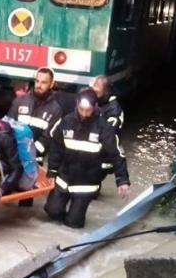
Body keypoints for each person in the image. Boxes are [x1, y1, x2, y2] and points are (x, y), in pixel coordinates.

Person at [45, 88, 131, 229]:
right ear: (76, 104)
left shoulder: (104, 128)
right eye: (81, 109)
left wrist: (122, 181)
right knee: (52, 211)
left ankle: (74, 215)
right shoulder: (66, 122)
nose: (84, 114)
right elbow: (56, 148)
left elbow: (117, 155)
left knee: (74, 224)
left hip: (86, 182)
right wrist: (52, 171)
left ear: (95, 107)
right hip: (64, 178)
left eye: (88, 110)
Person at [7, 67, 62, 166]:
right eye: (37, 81)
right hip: (13, 158)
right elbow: (8, 126)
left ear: (52, 84)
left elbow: (47, 139)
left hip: (35, 162)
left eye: (44, 82)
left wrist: (28, 154)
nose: (39, 85)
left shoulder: (55, 110)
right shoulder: (19, 101)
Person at [91, 75, 125, 184]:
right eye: (94, 85)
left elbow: (108, 134)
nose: (94, 89)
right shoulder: (95, 103)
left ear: (106, 91)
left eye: (97, 86)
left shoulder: (113, 109)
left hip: (104, 155)